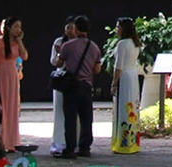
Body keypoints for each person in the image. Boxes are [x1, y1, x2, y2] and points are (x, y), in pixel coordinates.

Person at [55, 16, 102, 159]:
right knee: (86, 118)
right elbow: (97, 69)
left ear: (75, 28)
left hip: (71, 85)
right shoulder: (94, 47)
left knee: (70, 118)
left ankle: (70, 149)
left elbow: (58, 63)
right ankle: (85, 147)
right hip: (87, 85)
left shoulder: (67, 46)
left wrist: (59, 54)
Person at [0, 17, 27, 154]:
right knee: (2, 108)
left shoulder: (17, 42)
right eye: (16, 26)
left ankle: (11, 141)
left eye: (19, 26)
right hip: (2, 76)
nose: (18, 29)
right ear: (8, 28)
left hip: (13, 75)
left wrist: (19, 40)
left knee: (12, 108)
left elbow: (24, 56)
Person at [110, 17, 144, 154]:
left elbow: (118, 66)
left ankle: (122, 143)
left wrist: (114, 83)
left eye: (118, 27)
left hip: (124, 77)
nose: (117, 29)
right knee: (132, 107)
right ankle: (132, 142)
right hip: (132, 75)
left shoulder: (122, 44)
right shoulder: (135, 43)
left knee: (123, 108)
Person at [47, 19, 74, 154]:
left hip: (74, 77)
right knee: (59, 110)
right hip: (61, 78)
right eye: (68, 27)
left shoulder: (80, 43)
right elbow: (53, 61)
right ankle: (58, 141)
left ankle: (73, 141)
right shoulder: (58, 42)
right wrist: (59, 54)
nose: (70, 30)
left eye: (72, 27)